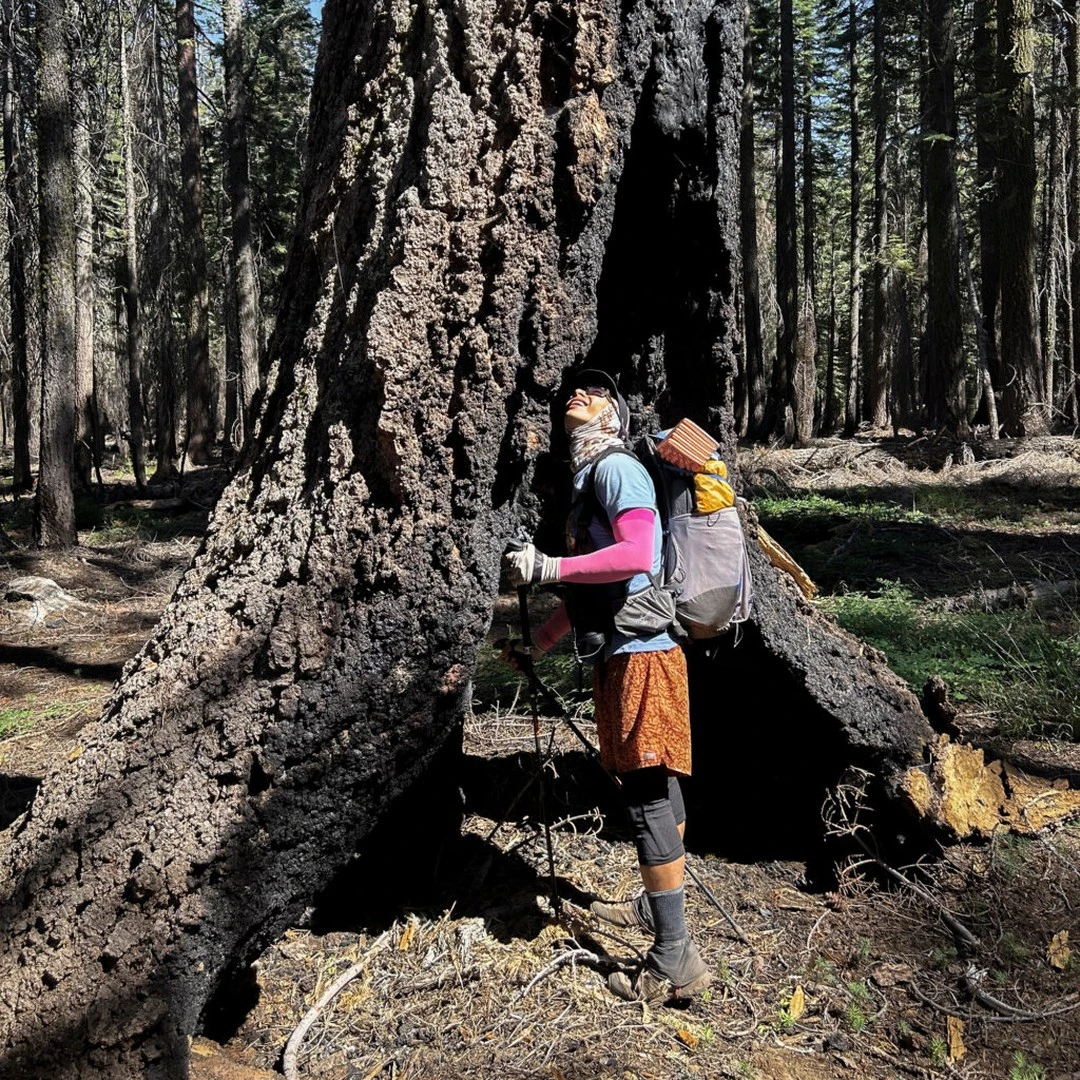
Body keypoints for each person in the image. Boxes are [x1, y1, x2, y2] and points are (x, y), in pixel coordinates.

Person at [502, 369, 710, 1005]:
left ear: (613, 415)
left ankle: (675, 956)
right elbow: (593, 593)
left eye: (592, 393)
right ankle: (661, 915)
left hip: (643, 658)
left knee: (647, 791)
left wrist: (549, 565)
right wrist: (536, 643)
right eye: (575, 390)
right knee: (657, 784)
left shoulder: (616, 469)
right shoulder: (591, 478)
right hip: (627, 652)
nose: (577, 396)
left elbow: (636, 556)